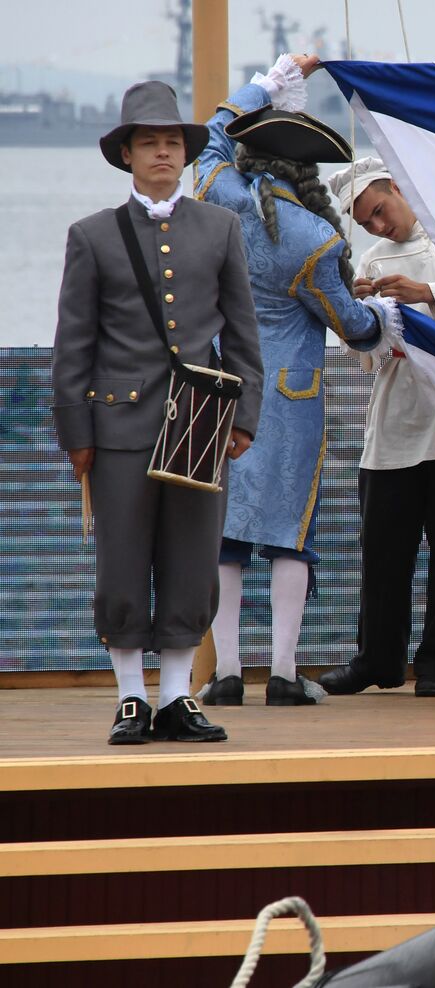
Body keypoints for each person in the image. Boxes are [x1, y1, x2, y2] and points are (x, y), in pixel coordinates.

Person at [52, 79, 262, 743]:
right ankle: (129, 697)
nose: (163, 153)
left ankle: (176, 694)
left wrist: (246, 416)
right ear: (128, 155)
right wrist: (75, 434)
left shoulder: (222, 228)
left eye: (172, 141)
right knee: (120, 560)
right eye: (149, 142)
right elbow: (73, 345)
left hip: (201, 421)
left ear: (185, 152)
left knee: (193, 557)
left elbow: (243, 334)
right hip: (117, 426)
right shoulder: (92, 236)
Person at [196, 55, 397, 707]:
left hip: (225, 393)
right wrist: (384, 316)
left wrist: (260, 87)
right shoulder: (315, 237)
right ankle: (283, 673)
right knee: (289, 534)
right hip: (290, 397)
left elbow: (208, 141)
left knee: (225, 535)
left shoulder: (224, 197)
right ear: (305, 169)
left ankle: (227, 672)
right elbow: (353, 326)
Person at [317, 158, 435, 698]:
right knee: (382, 551)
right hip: (396, 419)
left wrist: (425, 295)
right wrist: (360, 315)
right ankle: (378, 658)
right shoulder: (373, 260)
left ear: (397, 187)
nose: (377, 227)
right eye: (366, 222)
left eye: (379, 211)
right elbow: (370, 351)